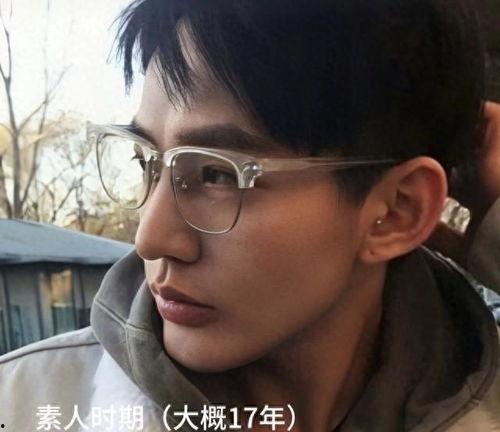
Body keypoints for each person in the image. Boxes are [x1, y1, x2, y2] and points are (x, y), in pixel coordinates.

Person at [1, 1, 499, 431]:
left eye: (217, 174)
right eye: (145, 162)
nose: (151, 238)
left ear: (396, 211)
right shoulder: (22, 404)